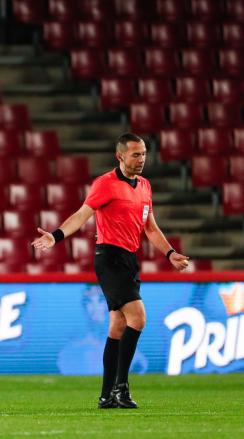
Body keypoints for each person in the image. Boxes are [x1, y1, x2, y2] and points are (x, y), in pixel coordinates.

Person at [32, 133, 189, 409]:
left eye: (143, 154)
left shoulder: (145, 186)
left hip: (129, 259)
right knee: (138, 318)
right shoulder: (105, 184)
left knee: (118, 326)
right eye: (135, 154)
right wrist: (55, 236)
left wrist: (170, 253)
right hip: (109, 258)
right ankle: (121, 387)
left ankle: (106, 395)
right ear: (120, 156)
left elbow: (150, 227)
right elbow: (82, 214)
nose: (141, 159)